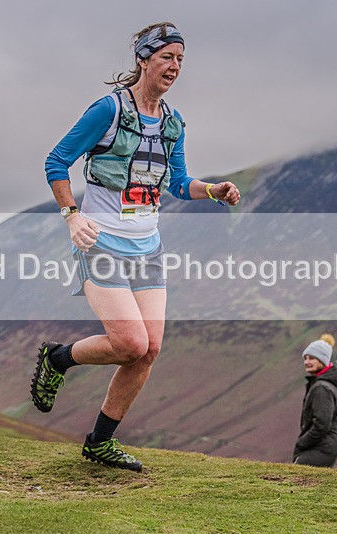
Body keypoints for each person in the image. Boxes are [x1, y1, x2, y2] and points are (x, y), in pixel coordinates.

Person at [34, 22, 241, 472]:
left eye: (181, 60)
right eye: (167, 57)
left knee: (149, 350)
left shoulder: (173, 123)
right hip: (101, 242)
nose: (175, 67)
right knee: (129, 342)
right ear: (144, 59)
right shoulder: (107, 111)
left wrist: (215, 190)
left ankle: (99, 442)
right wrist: (72, 216)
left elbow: (180, 183)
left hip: (148, 247)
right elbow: (56, 162)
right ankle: (57, 358)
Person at [293, 334, 337, 467]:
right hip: (326, 449)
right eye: (305, 358)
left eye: (312, 358)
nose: (307, 362)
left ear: (323, 360)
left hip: (319, 449)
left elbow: (322, 424)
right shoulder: (328, 385)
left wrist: (302, 442)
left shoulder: (322, 388)